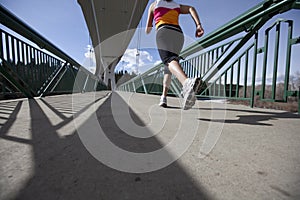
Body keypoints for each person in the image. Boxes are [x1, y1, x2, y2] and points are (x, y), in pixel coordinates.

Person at [145, 0, 204, 110]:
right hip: (178, 34)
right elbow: (191, 8)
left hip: (164, 31)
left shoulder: (154, 5)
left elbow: (148, 30)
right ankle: (163, 97)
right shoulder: (176, 5)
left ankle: (186, 82)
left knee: (168, 60)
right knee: (169, 66)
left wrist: (151, 24)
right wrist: (198, 25)